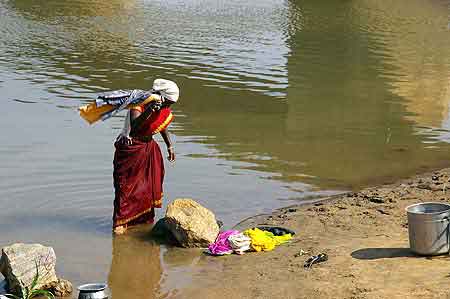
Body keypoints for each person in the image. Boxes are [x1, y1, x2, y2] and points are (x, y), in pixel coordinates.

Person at [112, 79, 179, 234]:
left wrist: (169, 146)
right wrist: (150, 111)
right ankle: (120, 222)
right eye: (168, 103)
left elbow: (162, 125)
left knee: (147, 187)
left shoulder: (162, 108)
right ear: (160, 97)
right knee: (126, 187)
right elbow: (134, 127)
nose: (168, 107)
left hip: (148, 148)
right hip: (131, 148)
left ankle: (141, 219)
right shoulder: (140, 103)